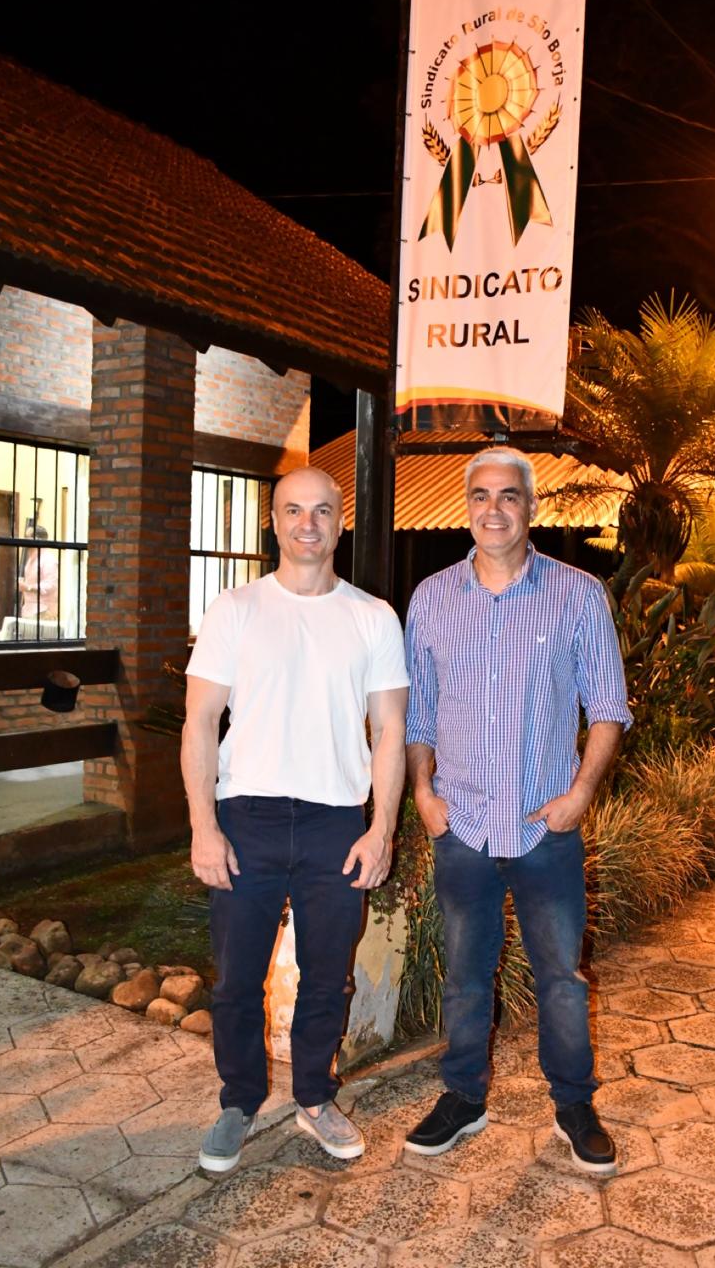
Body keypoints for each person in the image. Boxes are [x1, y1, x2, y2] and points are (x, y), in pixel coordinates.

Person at [403, 446, 631, 1175]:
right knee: (465, 977)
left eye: (509, 496)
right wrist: (423, 793)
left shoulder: (577, 594)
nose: (493, 509)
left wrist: (579, 795)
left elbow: (608, 707)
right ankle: (463, 1098)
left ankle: (573, 1105)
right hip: (462, 827)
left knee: (561, 978)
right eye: (481, 495)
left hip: (543, 829)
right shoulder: (431, 598)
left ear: (531, 507)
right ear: (465, 506)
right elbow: (418, 713)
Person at [182, 467, 409, 1174]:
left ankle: (314, 1096)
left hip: (335, 822)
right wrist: (203, 826)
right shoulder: (235, 609)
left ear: (340, 522)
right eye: (292, 510)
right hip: (245, 815)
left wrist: (380, 829)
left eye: (321, 511)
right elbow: (198, 722)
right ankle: (239, 1102)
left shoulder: (373, 617)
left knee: (327, 978)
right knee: (235, 980)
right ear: (274, 521)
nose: (307, 523)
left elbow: (390, 732)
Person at [18, 525, 58, 621]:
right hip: (29, 611)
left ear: (37, 539)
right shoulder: (32, 558)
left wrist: (28, 587)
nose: (24, 540)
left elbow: (51, 585)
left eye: (28, 537)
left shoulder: (48, 559)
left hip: (43, 611)